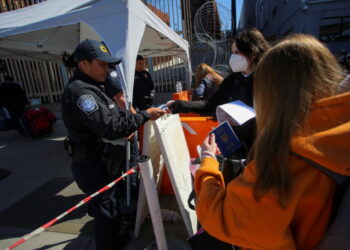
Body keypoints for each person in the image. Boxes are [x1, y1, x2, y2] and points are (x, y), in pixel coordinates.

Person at [194, 34, 350, 249]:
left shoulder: (282, 164)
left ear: (271, 92)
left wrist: (208, 161)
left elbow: (221, 215)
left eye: (237, 52)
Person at [61, 39, 165, 250]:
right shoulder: (81, 94)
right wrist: (144, 115)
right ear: (84, 64)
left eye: (109, 65)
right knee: (106, 216)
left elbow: (114, 117)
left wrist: (128, 123)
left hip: (106, 163)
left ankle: (116, 242)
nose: (108, 69)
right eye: (102, 64)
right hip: (93, 166)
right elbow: (110, 126)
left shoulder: (94, 87)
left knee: (113, 210)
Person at [168, 28, 270, 152]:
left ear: (253, 54)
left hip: (262, 147)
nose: (233, 57)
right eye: (232, 52)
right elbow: (209, 104)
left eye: (237, 52)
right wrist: (179, 105)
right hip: (236, 145)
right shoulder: (232, 80)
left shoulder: (268, 80)